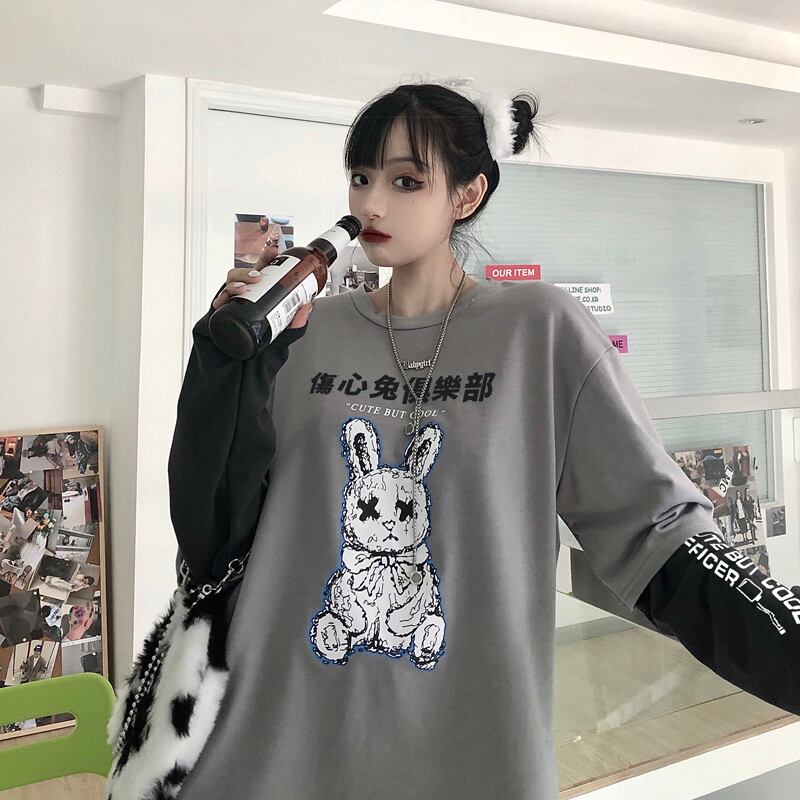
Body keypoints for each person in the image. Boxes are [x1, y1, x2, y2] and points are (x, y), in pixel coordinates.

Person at [166, 81, 800, 800]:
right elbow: (215, 535)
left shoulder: (538, 331)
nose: (372, 204)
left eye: (407, 181)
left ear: (467, 195)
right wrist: (223, 373)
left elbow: (658, 537)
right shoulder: (308, 333)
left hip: (466, 754)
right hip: (269, 748)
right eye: (361, 177)